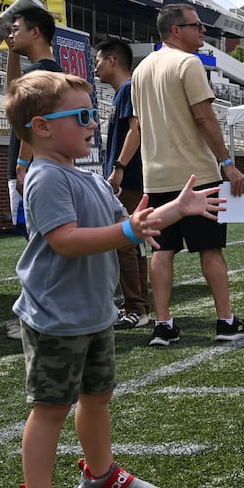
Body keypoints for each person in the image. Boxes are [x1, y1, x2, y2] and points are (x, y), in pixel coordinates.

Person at [2, 69, 224, 488]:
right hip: (55, 315)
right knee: (50, 407)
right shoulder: (44, 178)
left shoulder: (89, 178)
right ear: (41, 126)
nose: (93, 126)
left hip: (93, 312)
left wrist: (174, 210)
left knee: (97, 396)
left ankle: (98, 475)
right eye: (82, 116)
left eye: (93, 116)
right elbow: (66, 240)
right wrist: (128, 230)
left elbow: (131, 222)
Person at [131, 2, 244, 345]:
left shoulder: (141, 70)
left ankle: (163, 324)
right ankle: (225, 321)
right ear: (176, 30)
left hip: (156, 174)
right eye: (197, 26)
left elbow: (139, 125)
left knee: (162, 251)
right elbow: (204, 117)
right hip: (196, 176)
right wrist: (227, 162)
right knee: (211, 249)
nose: (203, 32)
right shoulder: (188, 63)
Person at [4, 6, 64, 340]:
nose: (11, 34)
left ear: (36, 32)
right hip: (42, 165)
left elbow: (33, 122)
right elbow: (16, 92)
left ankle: (40, 317)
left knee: (40, 246)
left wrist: (24, 163)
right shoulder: (43, 72)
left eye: (16, 29)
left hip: (36, 166)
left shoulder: (42, 74)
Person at [95, 38, 149, 330]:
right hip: (128, 176)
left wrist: (118, 168)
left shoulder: (128, 89)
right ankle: (138, 304)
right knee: (132, 242)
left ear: (112, 60)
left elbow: (136, 129)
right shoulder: (123, 92)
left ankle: (135, 306)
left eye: (98, 60)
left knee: (125, 243)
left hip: (129, 178)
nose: (96, 67)